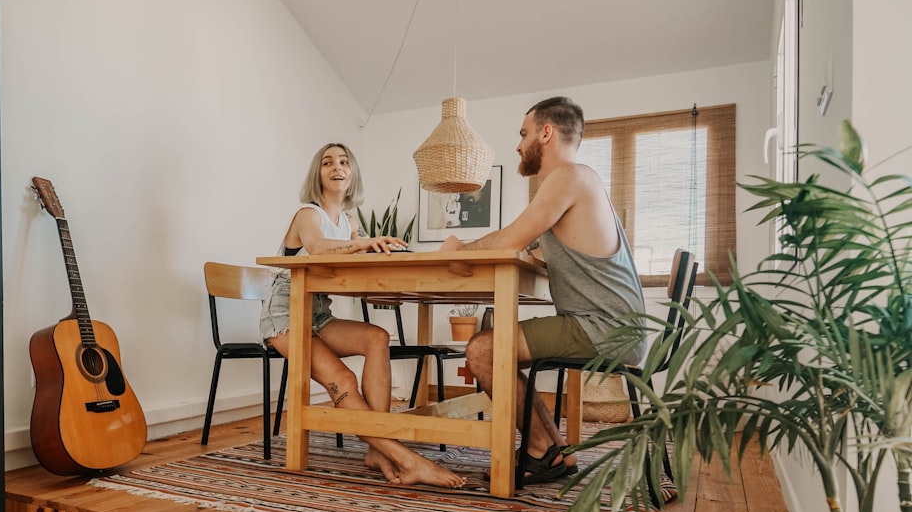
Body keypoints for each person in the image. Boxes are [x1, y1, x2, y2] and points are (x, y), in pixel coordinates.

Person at [439, 97, 646, 484]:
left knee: (483, 349)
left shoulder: (569, 177)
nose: (518, 145)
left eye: (523, 133)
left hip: (602, 328)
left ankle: (538, 452)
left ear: (546, 132)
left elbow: (511, 239)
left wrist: (458, 250)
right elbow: (531, 247)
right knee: (491, 346)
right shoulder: (577, 182)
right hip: (608, 325)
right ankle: (555, 454)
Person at [261, 143, 465, 489]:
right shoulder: (307, 214)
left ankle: (376, 449)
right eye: (327, 163)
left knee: (377, 337)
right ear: (318, 173)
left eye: (343, 162)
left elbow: (358, 259)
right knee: (343, 378)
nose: (336, 167)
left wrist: (378, 249)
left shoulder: (349, 221)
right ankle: (405, 458)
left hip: (319, 316)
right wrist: (361, 244)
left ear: (352, 173)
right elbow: (319, 248)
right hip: (285, 316)